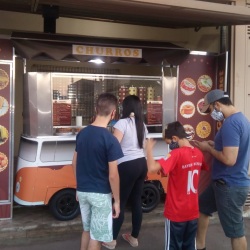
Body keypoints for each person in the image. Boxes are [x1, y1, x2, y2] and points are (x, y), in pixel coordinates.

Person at [195, 89, 250, 250]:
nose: (211, 113)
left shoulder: (231, 124)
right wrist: (215, 145)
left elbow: (229, 159)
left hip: (229, 185)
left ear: (217, 104)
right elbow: (233, 149)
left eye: (210, 110)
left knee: (236, 232)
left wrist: (208, 148)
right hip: (222, 183)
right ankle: (200, 245)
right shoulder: (241, 120)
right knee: (202, 207)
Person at [72, 93, 124, 250]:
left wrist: (78, 186)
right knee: (97, 236)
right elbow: (113, 175)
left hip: (83, 191)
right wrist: (117, 200)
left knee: (87, 230)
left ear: (96, 109)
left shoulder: (82, 133)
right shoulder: (110, 139)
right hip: (100, 194)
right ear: (113, 113)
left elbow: (74, 162)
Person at [146, 121, 209, 250]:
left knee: (173, 246)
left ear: (175, 138)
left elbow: (152, 168)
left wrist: (148, 150)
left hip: (176, 212)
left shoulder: (176, 154)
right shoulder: (198, 153)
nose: (170, 146)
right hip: (192, 211)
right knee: (189, 245)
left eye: (169, 143)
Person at [102, 95, 148, 249]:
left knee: (118, 201)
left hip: (127, 165)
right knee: (136, 202)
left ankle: (111, 240)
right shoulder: (142, 124)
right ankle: (134, 238)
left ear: (126, 107)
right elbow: (144, 146)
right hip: (142, 164)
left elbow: (114, 145)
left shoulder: (122, 123)